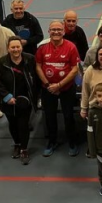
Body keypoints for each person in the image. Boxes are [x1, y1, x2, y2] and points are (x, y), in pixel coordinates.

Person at [35, 20, 80, 157]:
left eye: (59, 29)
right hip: (48, 89)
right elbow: (38, 67)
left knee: (68, 116)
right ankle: (51, 142)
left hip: (67, 88)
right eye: (53, 29)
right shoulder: (42, 48)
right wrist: (48, 85)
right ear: (49, 32)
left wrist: (59, 85)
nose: (56, 32)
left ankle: (72, 142)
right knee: (50, 116)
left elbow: (75, 69)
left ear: (63, 32)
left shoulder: (71, 47)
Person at [0, 36, 38, 165]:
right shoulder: (1, 63)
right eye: (12, 47)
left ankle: (24, 149)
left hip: (25, 100)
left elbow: (36, 77)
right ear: (8, 48)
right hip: (8, 100)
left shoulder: (30, 59)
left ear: (21, 47)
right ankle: (17, 144)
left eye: (18, 47)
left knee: (23, 124)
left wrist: (36, 96)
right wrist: (7, 96)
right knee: (12, 124)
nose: (15, 49)